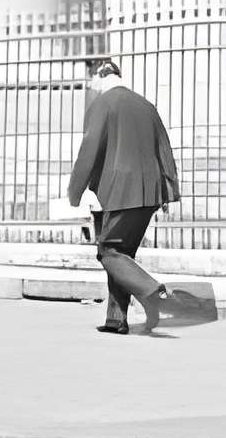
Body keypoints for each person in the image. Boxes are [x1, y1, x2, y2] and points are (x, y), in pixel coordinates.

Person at [68, 58, 180, 335]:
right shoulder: (145, 105)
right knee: (123, 253)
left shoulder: (104, 104)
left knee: (108, 251)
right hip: (151, 191)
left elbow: (89, 149)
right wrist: (169, 190)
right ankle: (116, 319)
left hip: (121, 190)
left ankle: (153, 292)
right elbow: (163, 146)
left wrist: (75, 192)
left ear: (99, 77)